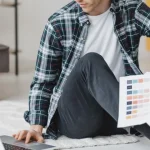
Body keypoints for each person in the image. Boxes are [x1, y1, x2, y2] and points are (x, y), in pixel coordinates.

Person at [12, 0, 150, 144]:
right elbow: (43, 82)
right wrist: (35, 128)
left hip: (117, 119)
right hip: (78, 119)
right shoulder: (59, 22)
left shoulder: (131, 9)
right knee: (90, 62)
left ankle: (135, 119)